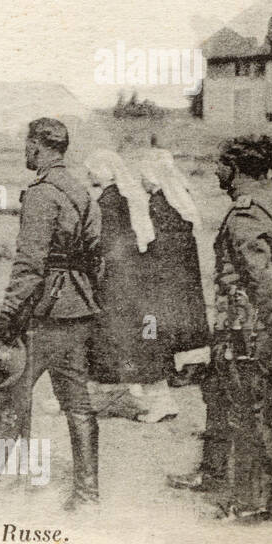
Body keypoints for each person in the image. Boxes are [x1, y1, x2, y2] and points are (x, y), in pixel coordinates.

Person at [0, 118, 102, 509]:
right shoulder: (82, 192)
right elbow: (96, 253)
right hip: (77, 309)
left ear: (37, 147)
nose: (24, 152)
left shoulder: (42, 194)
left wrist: (6, 319)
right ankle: (87, 494)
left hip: (41, 314)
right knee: (79, 406)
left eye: (26, 145)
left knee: (11, 398)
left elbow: (29, 266)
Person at [169, 136, 272, 519]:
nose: (215, 171)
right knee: (227, 399)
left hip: (244, 326)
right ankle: (222, 476)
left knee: (246, 411)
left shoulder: (246, 211)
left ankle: (253, 499)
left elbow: (261, 277)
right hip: (257, 324)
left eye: (219, 164)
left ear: (234, 168)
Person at [84, 150, 167, 389]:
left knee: (118, 330)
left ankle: (129, 385)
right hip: (125, 271)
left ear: (102, 171)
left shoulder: (109, 201)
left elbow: (107, 242)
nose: (88, 173)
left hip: (115, 274)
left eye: (91, 168)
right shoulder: (118, 197)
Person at [138, 148, 211, 386]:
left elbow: (161, 239)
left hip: (170, 271)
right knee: (187, 315)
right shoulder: (175, 197)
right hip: (182, 270)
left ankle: (188, 367)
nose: (142, 181)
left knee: (175, 317)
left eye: (144, 175)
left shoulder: (161, 202)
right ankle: (190, 364)